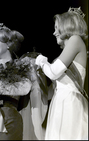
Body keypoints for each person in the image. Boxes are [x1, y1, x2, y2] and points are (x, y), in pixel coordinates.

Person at [35, 7, 88, 140]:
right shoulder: (72, 45)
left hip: (69, 101)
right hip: (61, 100)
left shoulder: (75, 40)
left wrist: (41, 61)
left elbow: (53, 73)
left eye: (57, 27)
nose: (54, 33)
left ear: (66, 25)